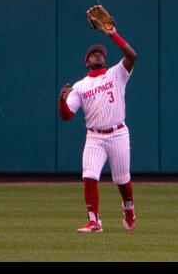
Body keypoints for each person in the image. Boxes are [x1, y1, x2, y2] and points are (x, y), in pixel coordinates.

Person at [58, 24, 138, 233]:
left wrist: (113, 34)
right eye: (93, 54)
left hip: (118, 132)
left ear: (104, 58)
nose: (97, 55)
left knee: (122, 180)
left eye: (100, 53)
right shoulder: (80, 86)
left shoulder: (115, 74)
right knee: (89, 175)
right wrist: (61, 102)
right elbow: (67, 115)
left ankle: (128, 206)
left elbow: (132, 56)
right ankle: (94, 221)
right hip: (95, 136)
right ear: (87, 62)